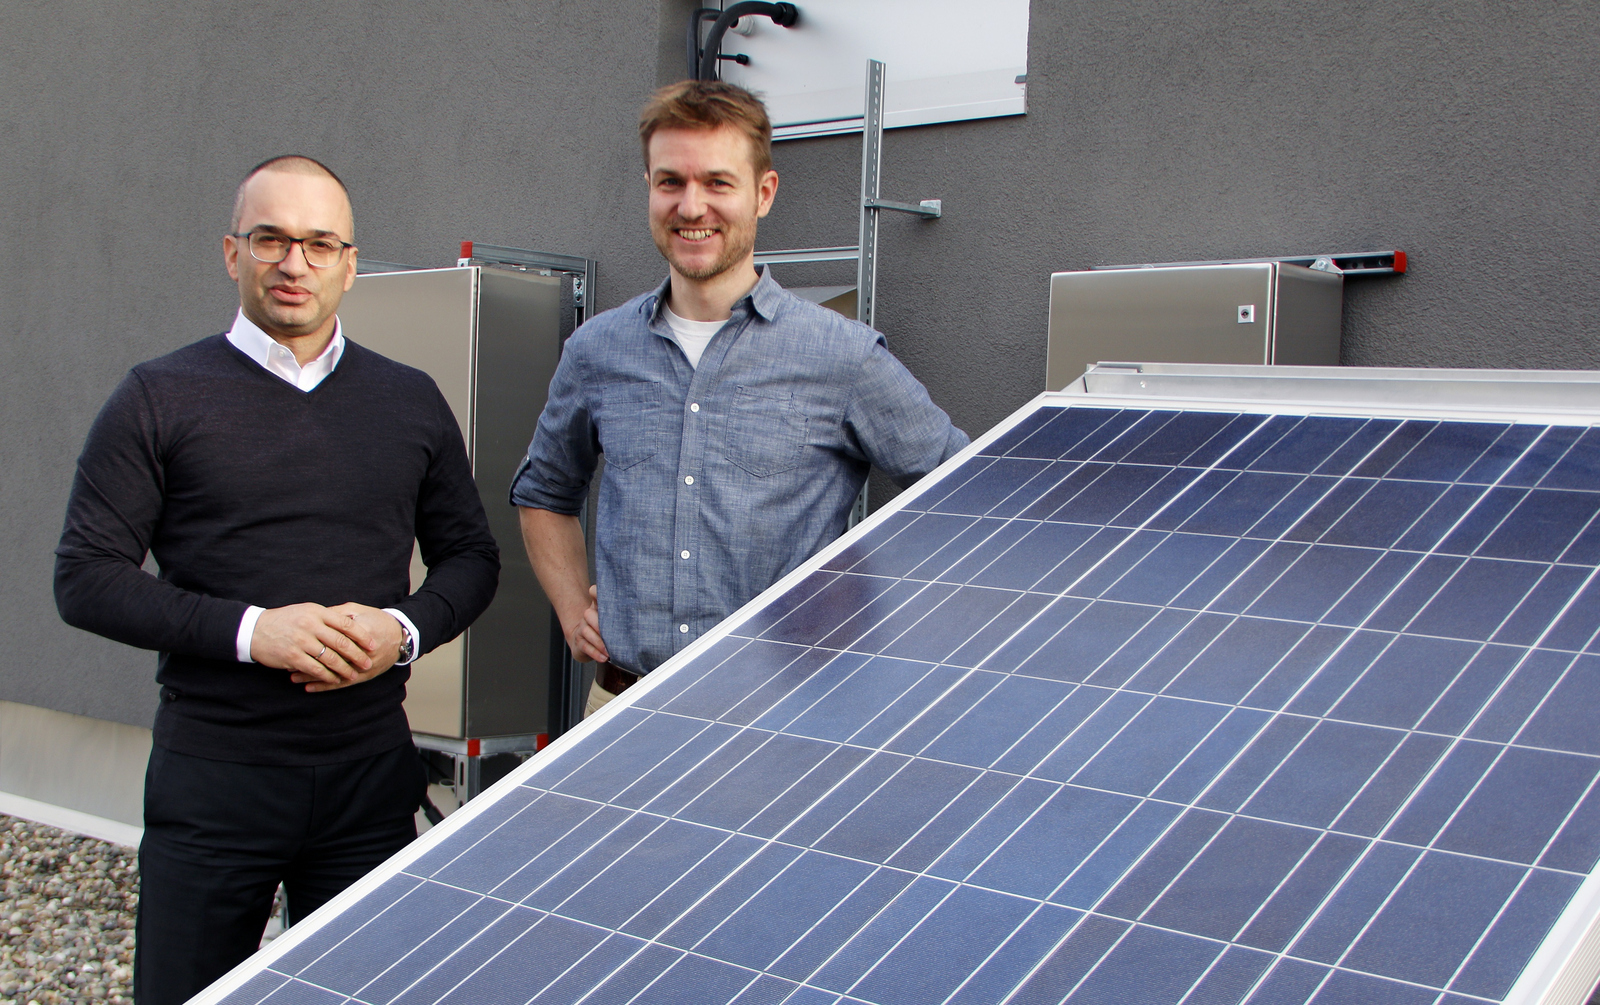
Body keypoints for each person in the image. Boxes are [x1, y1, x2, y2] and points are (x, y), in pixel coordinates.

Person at [54, 155, 499, 1003]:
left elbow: (472, 558)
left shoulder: (409, 400)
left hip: (369, 773)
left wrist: (402, 631)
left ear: (350, 263)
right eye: (271, 239)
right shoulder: (158, 396)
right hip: (216, 774)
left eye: (319, 243)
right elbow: (85, 577)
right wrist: (256, 631)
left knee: (361, 991)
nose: (295, 262)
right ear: (232, 253)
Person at [512, 81, 967, 716]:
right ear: (648, 185)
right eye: (670, 181)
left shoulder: (843, 357)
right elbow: (543, 494)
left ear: (764, 193)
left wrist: (873, 616)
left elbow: (966, 496)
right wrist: (569, 606)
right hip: (620, 714)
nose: (691, 206)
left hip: (786, 716)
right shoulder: (597, 352)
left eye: (718, 183)